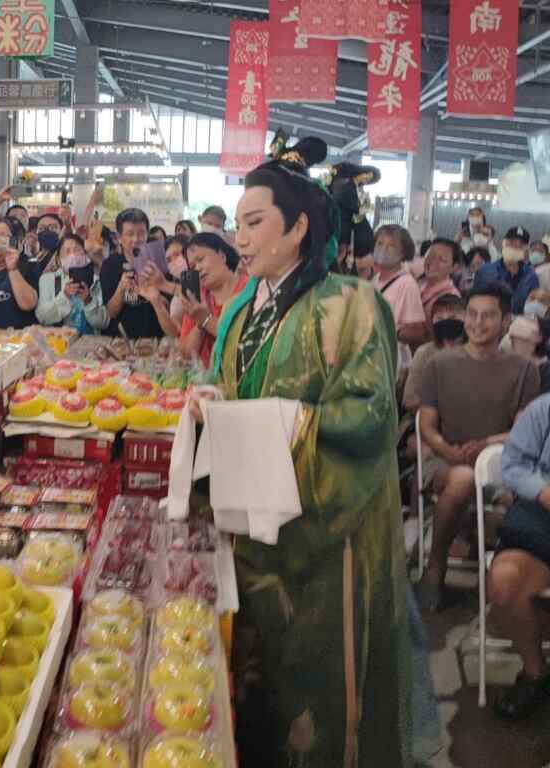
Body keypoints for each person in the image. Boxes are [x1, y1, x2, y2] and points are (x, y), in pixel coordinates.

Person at [191, 137, 412, 766]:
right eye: (237, 224)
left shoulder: (351, 304)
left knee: (322, 695)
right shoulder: (240, 310)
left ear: (299, 227)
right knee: (257, 688)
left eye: (255, 223)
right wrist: (209, 402)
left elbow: (370, 417)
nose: (241, 237)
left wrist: (289, 422)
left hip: (325, 542)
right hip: (253, 527)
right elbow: (232, 391)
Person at [417, 282, 541, 611]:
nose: (477, 323)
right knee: (460, 479)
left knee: (516, 495)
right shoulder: (439, 365)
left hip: (500, 461)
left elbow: (522, 429)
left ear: (505, 320)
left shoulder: (524, 370)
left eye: (488, 316)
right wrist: (447, 450)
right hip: (446, 461)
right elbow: (426, 426)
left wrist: (486, 444)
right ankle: (435, 568)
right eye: (471, 314)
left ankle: (508, 585)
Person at [492, 392, 550, 719]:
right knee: (505, 582)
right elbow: (513, 465)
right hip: (543, 514)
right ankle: (535, 673)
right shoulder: (543, 409)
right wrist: (543, 492)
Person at [178, 232, 247, 367]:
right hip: (203, 385)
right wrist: (199, 324)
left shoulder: (249, 290)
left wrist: (206, 319)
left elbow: (243, 343)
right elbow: (186, 355)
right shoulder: (197, 299)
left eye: (201, 259)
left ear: (221, 255)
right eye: (192, 267)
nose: (197, 268)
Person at [100, 208, 166, 338]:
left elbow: (168, 307)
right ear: (119, 237)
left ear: (147, 234)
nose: (136, 239)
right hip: (122, 340)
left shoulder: (158, 261)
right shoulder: (110, 265)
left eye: (141, 233)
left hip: (155, 339)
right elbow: (111, 313)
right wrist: (121, 289)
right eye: (130, 234)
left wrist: (154, 291)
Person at [372, 224, 427, 369]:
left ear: (403, 252)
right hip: (374, 360)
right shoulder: (376, 279)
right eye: (380, 243)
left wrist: (390, 330)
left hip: (391, 363)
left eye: (391, 246)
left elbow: (418, 332)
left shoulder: (407, 284)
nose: (383, 248)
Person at [35, 233, 108, 334]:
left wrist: (88, 300)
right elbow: (43, 317)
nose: (72, 255)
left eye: (77, 250)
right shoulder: (48, 280)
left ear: (85, 255)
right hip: (60, 343)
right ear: (59, 260)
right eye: (67, 251)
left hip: (91, 344)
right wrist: (65, 296)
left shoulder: (97, 280)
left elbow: (103, 323)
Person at [402, 294, 465, 411]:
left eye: (453, 317)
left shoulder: (475, 352)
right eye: (440, 319)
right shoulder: (424, 352)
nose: (446, 322)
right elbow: (408, 401)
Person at [475, 226, 538, 314]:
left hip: (517, 323)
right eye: (511, 243)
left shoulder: (531, 276)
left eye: (520, 245)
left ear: (526, 248)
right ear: (503, 242)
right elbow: (475, 299)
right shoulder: (485, 271)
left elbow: (532, 305)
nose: (515, 247)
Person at [418, 238, 461, 321]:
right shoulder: (420, 284)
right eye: (430, 256)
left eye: (441, 259)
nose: (433, 261)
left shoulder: (451, 298)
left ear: (454, 267)